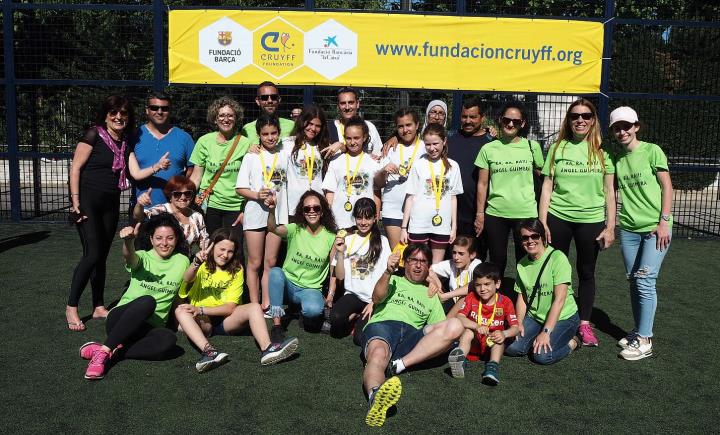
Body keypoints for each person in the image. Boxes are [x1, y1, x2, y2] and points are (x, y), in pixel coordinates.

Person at [539, 98, 616, 346]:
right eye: (575, 116)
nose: (580, 120)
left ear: (593, 120)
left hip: (591, 220)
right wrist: (543, 221)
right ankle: (554, 318)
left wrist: (610, 227)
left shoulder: (603, 152)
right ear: (568, 120)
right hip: (558, 218)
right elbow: (547, 188)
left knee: (586, 272)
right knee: (554, 272)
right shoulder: (557, 148)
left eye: (585, 116)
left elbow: (609, 192)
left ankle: (584, 324)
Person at [361, 243, 463, 427]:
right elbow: (376, 298)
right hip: (383, 325)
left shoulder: (431, 294)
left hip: (411, 336)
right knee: (378, 354)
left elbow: (439, 329)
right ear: (405, 263)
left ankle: (398, 365)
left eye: (423, 262)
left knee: (455, 325)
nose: (418, 265)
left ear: (428, 267)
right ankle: (375, 395)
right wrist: (387, 272)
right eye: (413, 260)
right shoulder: (393, 280)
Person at [78, 214, 190, 380]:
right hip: (120, 319)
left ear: (177, 239)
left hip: (149, 328)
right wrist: (128, 242)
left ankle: (112, 351)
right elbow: (130, 257)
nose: (164, 243)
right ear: (151, 239)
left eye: (170, 238)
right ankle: (104, 352)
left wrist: (180, 319)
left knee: (168, 339)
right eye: (159, 238)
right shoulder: (143, 256)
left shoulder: (182, 261)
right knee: (147, 301)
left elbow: (179, 294)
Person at [176, 228, 298, 373]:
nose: (225, 255)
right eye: (221, 249)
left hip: (226, 321)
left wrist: (200, 309)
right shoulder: (201, 265)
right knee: (181, 310)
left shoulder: (237, 269)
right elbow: (187, 279)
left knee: (254, 306)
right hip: (204, 321)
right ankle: (209, 352)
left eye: (230, 251)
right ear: (212, 246)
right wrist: (196, 262)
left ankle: (268, 349)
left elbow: (230, 308)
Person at [66, 95, 136, 331]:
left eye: (123, 113)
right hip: (87, 203)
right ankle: (72, 306)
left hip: (110, 203)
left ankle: (98, 305)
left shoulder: (125, 141)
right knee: (92, 253)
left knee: (102, 256)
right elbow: (75, 167)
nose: (118, 117)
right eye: (113, 113)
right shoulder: (93, 134)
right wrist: (75, 201)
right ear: (105, 115)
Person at [609, 106, 673, 361]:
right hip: (629, 230)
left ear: (636, 126)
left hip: (655, 229)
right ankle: (638, 330)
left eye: (626, 126)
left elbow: (667, 186)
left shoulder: (651, 150)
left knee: (645, 281)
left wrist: (664, 221)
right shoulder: (618, 159)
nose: (622, 131)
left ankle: (645, 340)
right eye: (617, 128)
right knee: (634, 281)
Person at [475, 101, 545, 277]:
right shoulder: (488, 149)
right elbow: (482, 184)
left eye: (516, 121)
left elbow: (543, 180)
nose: (510, 124)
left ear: (522, 123)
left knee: (527, 261)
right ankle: (497, 301)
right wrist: (480, 214)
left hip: (526, 212)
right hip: (496, 214)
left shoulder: (532, 147)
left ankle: (525, 301)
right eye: (507, 120)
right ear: (500, 120)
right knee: (497, 260)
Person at [505, 219, 581, 365]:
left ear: (543, 237)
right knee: (511, 347)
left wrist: (546, 332)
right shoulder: (522, 264)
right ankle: (534, 338)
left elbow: (559, 300)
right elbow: (522, 297)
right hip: (535, 317)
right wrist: (518, 323)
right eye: (525, 237)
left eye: (535, 236)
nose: (530, 241)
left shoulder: (558, 258)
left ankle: (573, 342)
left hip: (563, 317)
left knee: (541, 356)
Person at [265, 190, 337, 339]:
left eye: (316, 208)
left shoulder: (331, 237)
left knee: (313, 310)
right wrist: (272, 211)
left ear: (322, 211)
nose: (312, 211)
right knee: (276, 273)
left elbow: (333, 270)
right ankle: (277, 326)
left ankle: (301, 313)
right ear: (302, 212)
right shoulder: (295, 228)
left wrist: (330, 295)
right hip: (288, 284)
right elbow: (273, 228)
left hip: (310, 289)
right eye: (307, 209)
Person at [236, 114, 289, 310]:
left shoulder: (284, 153)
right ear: (258, 135)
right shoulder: (251, 156)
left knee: (271, 261)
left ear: (279, 133)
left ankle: (267, 301)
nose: (270, 137)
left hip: (278, 213)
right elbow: (240, 188)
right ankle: (254, 303)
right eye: (265, 134)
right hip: (255, 213)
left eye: (274, 133)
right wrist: (258, 195)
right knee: (255, 261)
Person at [328, 198, 391, 341]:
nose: (363, 222)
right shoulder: (348, 240)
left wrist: (374, 303)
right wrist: (340, 252)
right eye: (359, 217)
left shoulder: (382, 241)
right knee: (335, 320)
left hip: (372, 298)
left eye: (368, 217)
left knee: (359, 338)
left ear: (375, 218)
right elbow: (340, 276)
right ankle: (355, 315)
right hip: (353, 294)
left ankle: (361, 319)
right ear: (354, 218)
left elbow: (385, 275)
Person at [401, 123, 463, 264]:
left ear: (444, 141)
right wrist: (404, 227)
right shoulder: (418, 164)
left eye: (436, 143)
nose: (432, 148)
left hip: (442, 225)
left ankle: (435, 287)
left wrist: (454, 227)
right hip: (418, 223)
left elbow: (453, 198)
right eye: (428, 144)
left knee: (436, 266)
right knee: (417, 263)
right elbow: (410, 197)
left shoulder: (453, 166)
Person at [189, 96, 251, 238]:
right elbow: (196, 177)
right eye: (222, 115)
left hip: (236, 205)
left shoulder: (246, 143)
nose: (226, 119)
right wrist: (186, 199)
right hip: (209, 204)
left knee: (235, 249)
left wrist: (246, 208)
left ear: (236, 119)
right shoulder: (204, 141)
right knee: (210, 247)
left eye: (230, 115)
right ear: (215, 119)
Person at [448, 262, 519, 384]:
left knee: (499, 338)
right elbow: (460, 317)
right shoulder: (471, 297)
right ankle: (461, 360)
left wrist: (504, 334)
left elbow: (515, 328)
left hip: (491, 344)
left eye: (487, 284)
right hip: (474, 342)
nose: (482, 289)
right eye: (478, 285)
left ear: (497, 284)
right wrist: (476, 326)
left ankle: (492, 367)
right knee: (468, 332)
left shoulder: (505, 302)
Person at [129, 92, 195, 211]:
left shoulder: (184, 138)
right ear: (147, 110)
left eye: (164, 108)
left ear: (170, 111)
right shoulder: (134, 136)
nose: (159, 112)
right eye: (154, 108)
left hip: (174, 210)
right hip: (141, 207)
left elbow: (191, 170)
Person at [447, 97, 495, 248]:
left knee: (477, 257)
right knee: (452, 258)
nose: (468, 121)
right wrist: (394, 137)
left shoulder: (491, 143)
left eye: (473, 117)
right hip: (452, 213)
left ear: (482, 118)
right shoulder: (450, 140)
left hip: (479, 213)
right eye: (464, 116)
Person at [375, 108, 426, 248]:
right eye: (400, 126)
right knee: (398, 257)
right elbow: (378, 183)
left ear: (417, 125)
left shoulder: (426, 148)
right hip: (393, 210)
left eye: (408, 125)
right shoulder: (390, 148)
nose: (405, 130)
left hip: (420, 210)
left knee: (418, 258)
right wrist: (383, 171)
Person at [322, 116, 382, 230]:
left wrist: (376, 216)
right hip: (339, 220)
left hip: (364, 222)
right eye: (348, 138)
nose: (352, 142)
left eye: (356, 138)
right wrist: (329, 215)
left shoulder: (373, 163)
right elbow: (330, 192)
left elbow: (376, 192)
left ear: (364, 137)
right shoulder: (336, 161)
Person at [132, 175, 209, 251]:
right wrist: (139, 204)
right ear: (170, 196)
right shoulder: (161, 210)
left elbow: (204, 243)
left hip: (185, 260)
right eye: (177, 194)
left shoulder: (197, 216)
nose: (183, 197)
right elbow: (138, 216)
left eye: (187, 193)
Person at [283, 104, 330, 218]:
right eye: (309, 124)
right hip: (294, 205)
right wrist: (253, 147)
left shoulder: (323, 147)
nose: (313, 129)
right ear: (302, 121)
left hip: (316, 205)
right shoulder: (287, 144)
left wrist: (341, 145)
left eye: (317, 126)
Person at [325, 87, 383, 158]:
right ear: (338, 106)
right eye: (343, 103)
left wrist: (377, 158)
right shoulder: (329, 128)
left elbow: (379, 155)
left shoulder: (369, 127)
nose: (347, 107)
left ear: (357, 104)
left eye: (351, 102)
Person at [429, 235, 482, 312]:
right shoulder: (451, 263)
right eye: (454, 253)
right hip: (453, 303)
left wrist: (445, 295)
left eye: (461, 253)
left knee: (464, 297)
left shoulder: (476, 264)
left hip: (471, 307)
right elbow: (428, 270)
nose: (456, 257)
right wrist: (436, 283)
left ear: (472, 255)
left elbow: (474, 284)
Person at [241, 81, 296, 145]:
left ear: (279, 100)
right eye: (264, 97)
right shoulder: (247, 129)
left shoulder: (292, 126)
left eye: (274, 97)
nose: (270, 101)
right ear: (258, 101)